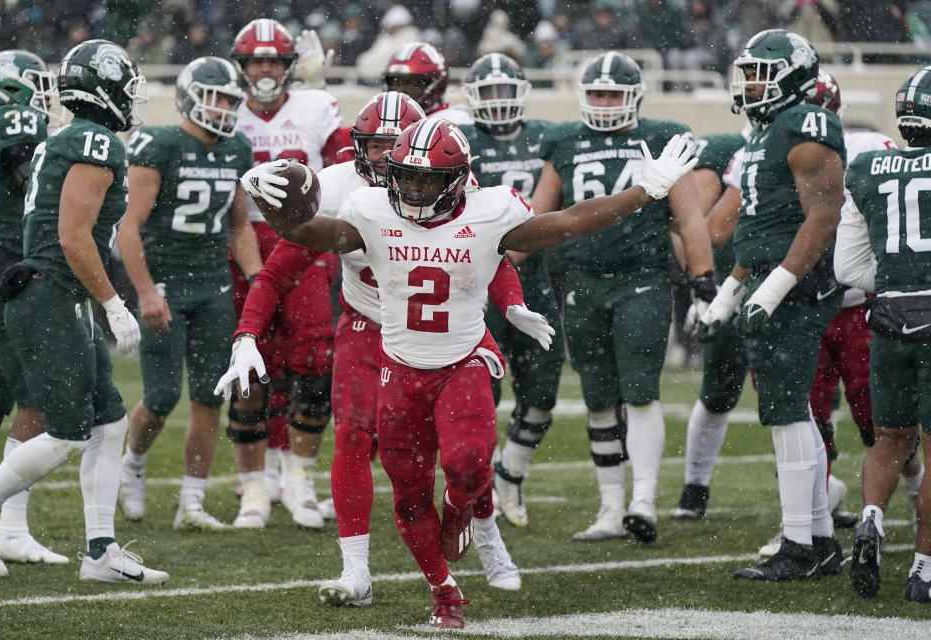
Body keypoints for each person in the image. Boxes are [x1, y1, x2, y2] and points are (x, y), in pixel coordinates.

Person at [239, 117, 696, 627]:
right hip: (398, 367)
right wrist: (273, 204)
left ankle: (465, 512)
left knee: (469, 467)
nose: (412, 189)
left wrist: (644, 192)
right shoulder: (367, 208)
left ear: (457, 179)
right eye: (404, 176)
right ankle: (444, 591)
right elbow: (307, 233)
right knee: (409, 494)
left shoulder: (489, 211)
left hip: (461, 362)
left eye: (427, 179)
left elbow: (569, 222)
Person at [0, 39, 166, 584]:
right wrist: (114, 304)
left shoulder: (70, 136)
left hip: (53, 294)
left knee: (108, 418)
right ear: (105, 90)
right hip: (50, 294)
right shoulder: (95, 141)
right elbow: (74, 237)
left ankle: (100, 550)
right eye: (126, 87)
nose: (132, 97)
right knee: (65, 433)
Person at [530, 51, 714, 544]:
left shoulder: (660, 136)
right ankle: (612, 508)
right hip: (582, 282)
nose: (606, 103)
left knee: (640, 391)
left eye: (614, 93)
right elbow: (537, 216)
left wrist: (703, 279)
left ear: (635, 96)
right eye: (597, 94)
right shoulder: (563, 142)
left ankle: (643, 501)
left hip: (642, 278)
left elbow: (690, 216)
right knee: (597, 398)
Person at [696, 29, 846, 581]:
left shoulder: (804, 123)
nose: (751, 83)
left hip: (796, 284)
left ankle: (799, 543)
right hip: (766, 276)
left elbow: (821, 216)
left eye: (761, 72)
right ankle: (821, 540)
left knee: (786, 409)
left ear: (792, 74)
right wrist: (728, 296)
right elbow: (758, 230)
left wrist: (777, 286)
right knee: (792, 409)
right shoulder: (763, 133)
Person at [115, 56, 260, 531]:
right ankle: (131, 466)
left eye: (229, 100)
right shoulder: (160, 143)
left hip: (213, 285)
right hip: (165, 284)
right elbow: (128, 228)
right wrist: (146, 293)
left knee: (208, 398)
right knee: (160, 396)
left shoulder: (237, 148)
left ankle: (192, 503)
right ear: (189, 97)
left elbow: (239, 225)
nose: (221, 108)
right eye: (213, 98)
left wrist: (259, 280)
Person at [226, 18, 348, 529]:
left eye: (275, 59)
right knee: (253, 369)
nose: (266, 70)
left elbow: (345, 164)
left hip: (307, 242)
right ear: (242, 66)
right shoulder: (227, 112)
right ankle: (255, 486)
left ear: (289, 66)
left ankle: (299, 479)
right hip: (247, 243)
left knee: (314, 365)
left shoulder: (315, 107)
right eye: (257, 60)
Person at [834, 64, 931, 603]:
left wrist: (899, 278)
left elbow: (849, 269)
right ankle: (923, 568)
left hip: (889, 320)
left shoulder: (868, 166)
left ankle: (871, 518)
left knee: (891, 438)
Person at [0, 49, 68, 572]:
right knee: (37, 402)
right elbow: (31, 176)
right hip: (7, 269)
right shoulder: (14, 119)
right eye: (34, 83)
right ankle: (7, 528)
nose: (42, 94)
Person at [459, 53, 565, 528]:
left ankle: (512, 472)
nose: (499, 103)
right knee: (480, 389)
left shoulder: (548, 137)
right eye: (489, 92)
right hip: (473, 279)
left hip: (534, 279)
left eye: (507, 91)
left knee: (542, 386)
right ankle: (478, 485)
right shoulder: (461, 139)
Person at [669, 128, 749, 522]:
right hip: (734, 285)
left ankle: (821, 497)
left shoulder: (823, 146)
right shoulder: (723, 148)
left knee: (810, 402)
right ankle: (695, 484)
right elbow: (690, 222)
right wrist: (701, 287)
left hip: (798, 285)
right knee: (718, 390)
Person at [382, 42, 473, 125]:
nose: (400, 89)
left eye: (410, 82)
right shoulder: (384, 120)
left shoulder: (457, 121)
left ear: (436, 85)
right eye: (396, 82)